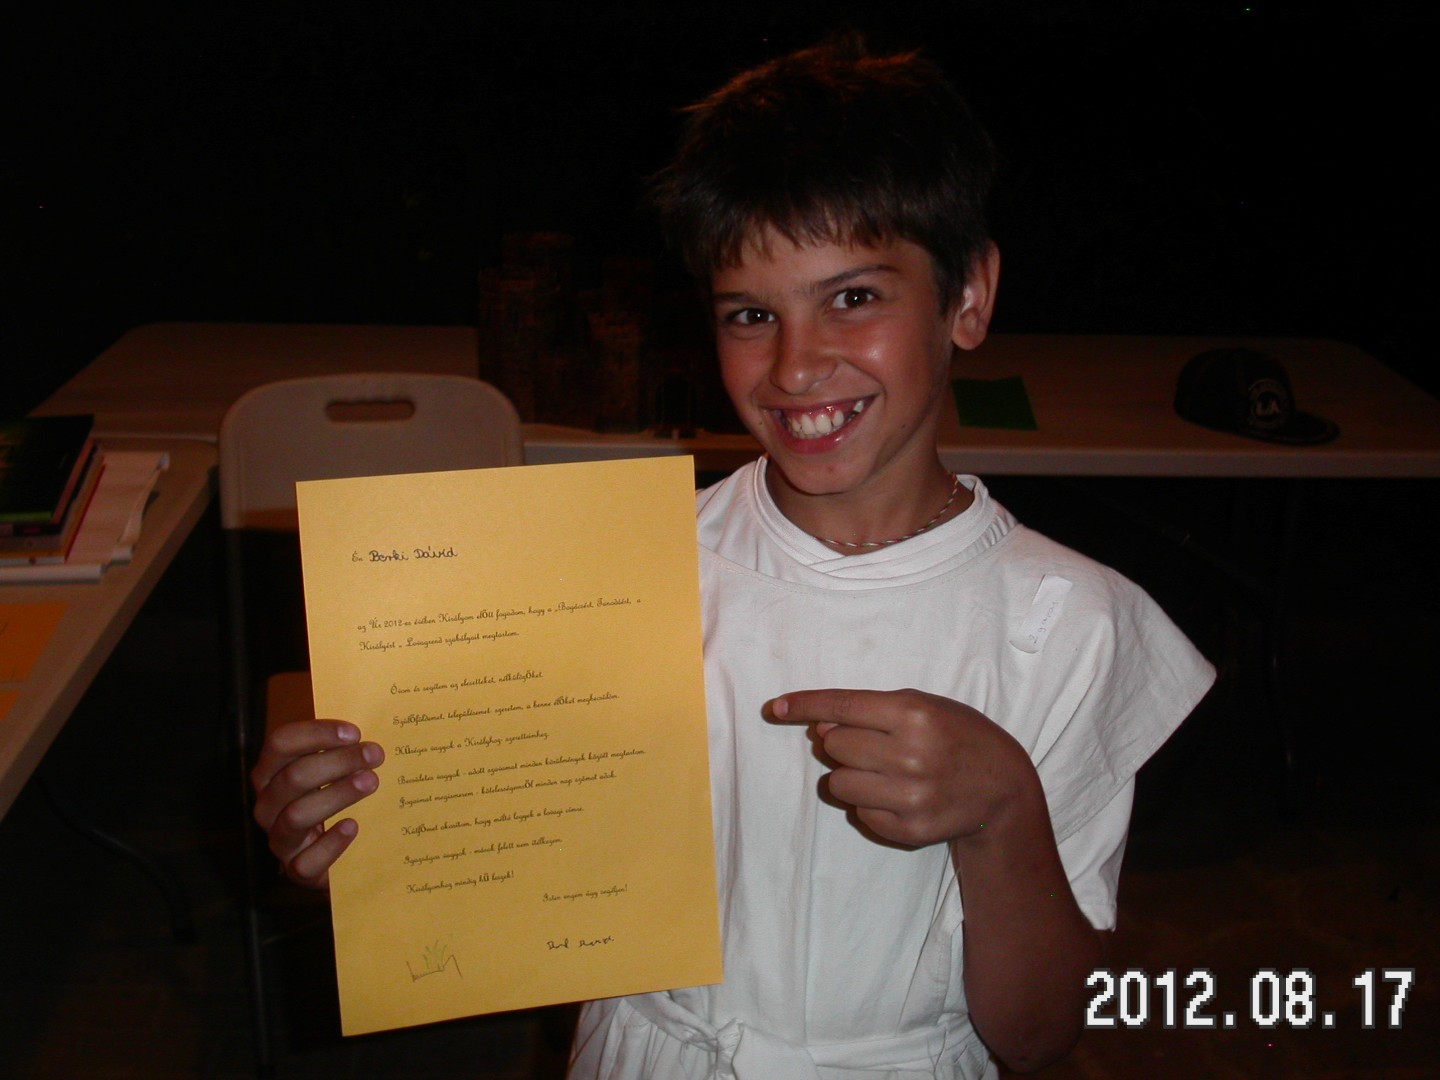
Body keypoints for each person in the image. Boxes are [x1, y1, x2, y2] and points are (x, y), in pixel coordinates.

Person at [252, 36, 1214, 1079]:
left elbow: (1041, 1033)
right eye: (752, 315)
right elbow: (507, 873)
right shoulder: (609, 576)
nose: (796, 366)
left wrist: (1000, 813)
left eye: (854, 297)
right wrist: (370, 839)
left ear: (968, 296)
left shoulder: (1069, 621)